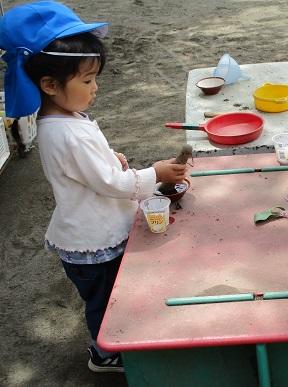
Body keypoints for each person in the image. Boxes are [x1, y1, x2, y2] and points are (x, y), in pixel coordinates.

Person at [0, 2, 187, 372]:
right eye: (86, 81)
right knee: (103, 301)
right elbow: (112, 183)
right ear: (49, 85)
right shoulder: (66, 132)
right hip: (92, 243)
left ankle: (116, 339)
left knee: (110, 294)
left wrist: (107, 156)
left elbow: (88, 169)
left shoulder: (63, 118)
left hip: (93, 229)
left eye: (95, 78)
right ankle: (104, 354)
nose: (95, 88)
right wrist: (156, 173)